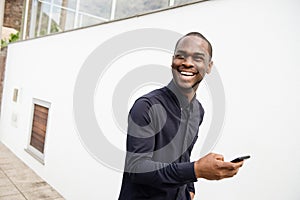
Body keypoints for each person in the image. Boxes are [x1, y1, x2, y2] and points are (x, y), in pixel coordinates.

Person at [118, 32, 244, 200]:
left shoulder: (198, 111)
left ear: (209, 66)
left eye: (198, 58)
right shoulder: (146, 106)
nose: (187, 63)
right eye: (181, 56)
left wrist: (189, 189)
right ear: (173, 60)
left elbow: (184, 156)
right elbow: (137, 168)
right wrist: (196, 170)